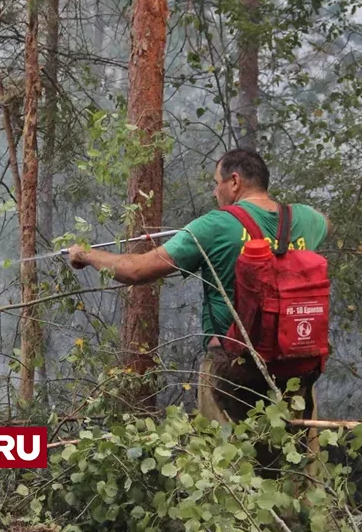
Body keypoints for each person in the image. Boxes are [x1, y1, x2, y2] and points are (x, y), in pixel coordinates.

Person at [68, 147, 331, 429]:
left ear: (234, 181)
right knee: (295, 451)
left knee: (226, 454)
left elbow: (136, 270)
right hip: (296, 367)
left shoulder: (214, 226)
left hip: (233, 370)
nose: (214, 192)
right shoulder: (305, 219)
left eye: (216, 184)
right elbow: (326, 222)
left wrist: (86, 254)